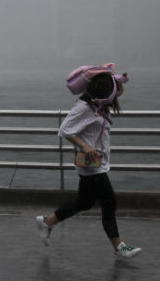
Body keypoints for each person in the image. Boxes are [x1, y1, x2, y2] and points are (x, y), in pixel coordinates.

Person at [36, 65, 141, 259]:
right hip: (93, 165)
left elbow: (117, 88)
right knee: (109, 203)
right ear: (105, 93)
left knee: (84, 202)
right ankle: (119, 246)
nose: (117, 96)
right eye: (114, 92)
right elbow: (64, 130)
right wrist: (85, 146)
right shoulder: (84, 108)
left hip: (94, 164)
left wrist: (118, 79)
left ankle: (47, 222)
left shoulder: (97, 106)